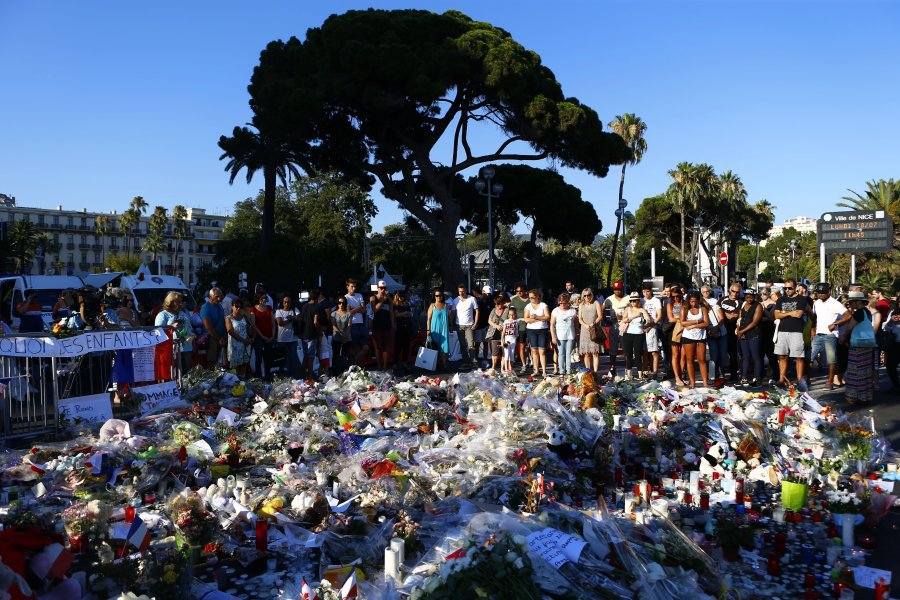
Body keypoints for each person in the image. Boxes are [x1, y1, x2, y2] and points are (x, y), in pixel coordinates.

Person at [811, 282, 851, 390]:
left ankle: (829, 382)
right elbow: (814, 317)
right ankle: (805, 380)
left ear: (828, 292)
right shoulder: (816, 303)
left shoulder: (835, 303)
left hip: (830, 335)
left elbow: (848, 315)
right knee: (810, 357)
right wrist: (813, 330)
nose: (820, 295)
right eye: (818, 292)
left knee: (831, 360)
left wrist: (836, 324)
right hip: (818, 334)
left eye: (822, 292)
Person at [774, 278, 811, 390]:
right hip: (782, 331)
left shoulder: (801, 299)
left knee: (799, 357)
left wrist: (784, 313)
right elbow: (776, 315)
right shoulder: (780, 300)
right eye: (785, 288)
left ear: (795, 288)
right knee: (782, 356)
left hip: (796, 331)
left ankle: (799, 380)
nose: (787, 290)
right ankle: (782, 379)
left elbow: (799, 314)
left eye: (790, 288)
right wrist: (791, 313)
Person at [841, 290, 877, 404]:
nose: (850, 305)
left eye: (851, 303)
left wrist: (843, 336)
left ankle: (853, 397)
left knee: (854, 371)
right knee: (865, 372)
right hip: (868, 344)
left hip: (857, 345)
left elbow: (849, 327)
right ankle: (865, 396)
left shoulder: (858, 313)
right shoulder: (867, 312)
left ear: (856, 302)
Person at [155, 291, 194, 375]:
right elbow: (158, 332)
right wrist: (172, 326)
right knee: (175, 373)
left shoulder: (183, 313)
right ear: (171, 302)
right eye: (178, 302)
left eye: (181, 302)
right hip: (172, 349)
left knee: (187, 373)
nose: (181, 304)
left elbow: (190, 328)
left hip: (186, 348)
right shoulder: (163, 315)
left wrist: (192, 335)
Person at [621, 291, 654, 380]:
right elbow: (624, 320)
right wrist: (635, 316)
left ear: (638, 301)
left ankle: (640, 375)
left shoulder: (642, 310)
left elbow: (648, 320)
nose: (633, 303)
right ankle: (629, 374)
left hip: (639, 334)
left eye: (634, 301)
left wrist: (645, 323)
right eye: (631, 301)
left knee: (638, 355)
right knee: (629, 355)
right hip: (628, 334)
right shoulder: (627, 309)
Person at [680, 291, 710, 387]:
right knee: (689, 359)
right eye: (691, 301)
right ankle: (692, 382)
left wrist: (693, 325)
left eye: (695, 301)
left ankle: (705, 383)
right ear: (688, 301)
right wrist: (697, 321)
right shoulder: (685, 309)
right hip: (688, 336)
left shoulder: (703, 308)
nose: (693, 303)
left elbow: (706, 323)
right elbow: (682, 323)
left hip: (701, 336)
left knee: (702, 359)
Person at [735, 288, 763, 385]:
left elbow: (755, 322)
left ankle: (757, 377)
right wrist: (739, 330)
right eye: (747, 297)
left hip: (753, 334)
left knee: (755, 356)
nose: (749, 299)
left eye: (751, 297)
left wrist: (742, 331)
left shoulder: (758, 306)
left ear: (754, 297)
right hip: (743, 334)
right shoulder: (743, 304)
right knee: (745, 356)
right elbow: (739, 319)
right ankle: (744, 376)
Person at [603, 281, 630, 378]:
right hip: (614, 326)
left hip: (626, 326)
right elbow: (602, 309)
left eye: (619, 289)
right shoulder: (609, 299)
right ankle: (613, 367)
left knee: (626, 349)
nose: (617, 291)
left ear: (622, 288)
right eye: (615, 289)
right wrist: (606, 321)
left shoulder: (628, 298)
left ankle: (628, 368)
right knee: (613, 349)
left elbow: (634, 308)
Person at [248, 292, 276, 380]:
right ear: (258, 299)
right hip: (259, 336)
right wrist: (262, 336)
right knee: (258, 357)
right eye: (262, 298)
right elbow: (253, 325)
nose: (263, 300)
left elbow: (273, 323)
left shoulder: (269, 308)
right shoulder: (253, 309)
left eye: (264, 298)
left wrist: (272, 336)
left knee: (268, 357)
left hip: (269, 335)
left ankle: (268, 377)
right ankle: (258, 377)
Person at [524, 289, 550, 378]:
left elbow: (547, 317)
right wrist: (539, 319)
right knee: (534, 350)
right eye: (529, 297)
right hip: (531, 330)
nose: (530, 299)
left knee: (542, 351)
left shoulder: (543, 305)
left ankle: (544, 371)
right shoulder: (528, 306)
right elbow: (526, 319)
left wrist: (536, 317)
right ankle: (536, 370)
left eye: (532, 297)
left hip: (542, 329)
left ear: (537, 297)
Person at [369, 282, 395, 371]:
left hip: (387, 326)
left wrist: (393, 325)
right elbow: (374, 310)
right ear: (377, 288)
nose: (383, 290)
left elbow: (391, 313)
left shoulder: (389, 299)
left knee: (386, 347)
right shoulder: (373, 298)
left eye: (384, 288)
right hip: (376, 325)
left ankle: (384, 367)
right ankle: (379, 365)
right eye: (381, 288)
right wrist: (381, 301)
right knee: (377, 347)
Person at [453, 284, 479, 370]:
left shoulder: (472, 299)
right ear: (458, 291)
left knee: (471, 344)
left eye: (463, 291)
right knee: (462, 345)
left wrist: (475, 323)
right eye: (460, 291)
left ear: (466, 290)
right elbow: (453, 313)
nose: (462, 293)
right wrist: (451, 324)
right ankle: (466, 362)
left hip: (469, 325)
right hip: (459, 325)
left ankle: (474, 362)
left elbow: (477, 311)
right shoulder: (455, 300)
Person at [344, 279, 370, 365]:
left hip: (361, 324)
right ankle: (353, 364)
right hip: (352, 324)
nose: (354, 288)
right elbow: (348, 312)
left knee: (366, 347)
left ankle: (353, 362)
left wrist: (353, 309)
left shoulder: (359, 295)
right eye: (352, 287)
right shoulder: (346, 298)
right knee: (353, 348)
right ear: (347, 287)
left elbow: (364, 310)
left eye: (355, 286)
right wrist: (359, 307)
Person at [550, 293, 577, 375]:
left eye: (564, 303)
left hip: (570, 335)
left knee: (568, 353)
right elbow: (552, 324)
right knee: (561, 353)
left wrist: (577, 335)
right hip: (560, 335)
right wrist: (553, 336)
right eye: (560, 303)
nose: (562, 304)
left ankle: (568, 371)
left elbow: (576, 324)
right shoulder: (556, 310)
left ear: (568, 302)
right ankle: (561, 371)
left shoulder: (573, 310)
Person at [275, 294, 301, 378]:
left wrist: (291, 318)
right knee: (283, 359)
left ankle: (293, 375)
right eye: (285, 302)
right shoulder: (279, 311)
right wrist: (291, 318)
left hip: (293, 338)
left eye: (288, 302)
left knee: (293, 358)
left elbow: (299, 318)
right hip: (282, 339)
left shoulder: (295, 309)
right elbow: (280, 323)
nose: (287, 303)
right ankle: (283, 376)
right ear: (282, 303)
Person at [720, 282, 742, 381]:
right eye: (733, 291)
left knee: (733, 353)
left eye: (737, 292)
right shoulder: (722, 299)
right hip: (721, 329)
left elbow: (736, 315)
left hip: (733, 330)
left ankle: (734, 374)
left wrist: (725, 314)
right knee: (721, 352)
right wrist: (726, 314)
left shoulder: (740, 302)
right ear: (729, 290)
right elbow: (717, 311)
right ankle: (720, 373)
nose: (735, 294)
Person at [578, 288, 603, 373]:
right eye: (585, 295)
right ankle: (588, 372)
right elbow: (580, 319)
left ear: (591, 295)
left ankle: (595, 372)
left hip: (594, 329)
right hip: (584, 331)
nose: (587, 297)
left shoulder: (596, 303)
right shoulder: (581, 305)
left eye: (588, 295)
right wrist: (585, 325)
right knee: (587, 353)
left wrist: (593, 324)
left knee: (595, 352)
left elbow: (600, 316)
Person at [225, 298, 252, 378]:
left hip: (245, 345)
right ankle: (233, 382)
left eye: (240, 307)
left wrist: (249, 338)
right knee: (235, 367)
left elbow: (249, 329)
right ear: (232, 306)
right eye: (236, 306)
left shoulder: (244, 317)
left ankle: (242, 382)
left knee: (244, 365)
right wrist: (243, 340)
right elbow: (230, 331)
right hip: (235, 346)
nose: (238, 308)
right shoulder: (228, 318)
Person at [200, 288, 226, 368]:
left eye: (220, 296)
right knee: (211, 361)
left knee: (220, 361)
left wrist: (224, 336)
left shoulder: (219, 306)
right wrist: (219, 338)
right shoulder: (205, 307)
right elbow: (208, 327)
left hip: (221, 337)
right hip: (212, 337)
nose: (219, 298)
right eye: (216, 296)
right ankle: (210, 379)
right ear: (210, 296)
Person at [426, 288, 452, 370]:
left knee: (444, 348)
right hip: (435, 330)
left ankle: (444, 365)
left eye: (440, 295)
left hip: (444, 329)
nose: (438, 297)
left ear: (442, 296)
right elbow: (428, 319)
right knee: (435, 347)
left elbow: (449, 317)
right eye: (436, 295)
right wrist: (428, 330)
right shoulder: (432, 306)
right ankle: (435, 364)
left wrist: (451, 325)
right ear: (434, 296)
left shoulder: (446, 305)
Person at [704, 292, 727, 380]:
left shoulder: (715, 307)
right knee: (714, 355)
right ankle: (713, 375)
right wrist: (710, 331)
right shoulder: (701, 310)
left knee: (722, 354)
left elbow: (722, 319)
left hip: (721, 332)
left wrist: (716, 328)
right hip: (710, 334)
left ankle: (722, 374)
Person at [666, 285, 686, 385]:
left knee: (683, 355)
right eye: (673, 296)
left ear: (681, 295)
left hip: (685, 330)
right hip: (673, 330)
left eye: (677, 296)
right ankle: (677, 377)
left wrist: (679, 318)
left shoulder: (685, 304)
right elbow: (671, 318)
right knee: (675, 354)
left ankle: (681, 375)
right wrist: (681, 319)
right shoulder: (670, 305)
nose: (675, 298)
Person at [641, 284, 663, 376]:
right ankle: (645, 371)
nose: (646, 293)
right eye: (644, 291)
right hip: (642, 328)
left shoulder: (656, 301)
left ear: (651, 291)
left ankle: (654, 371)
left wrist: (651, 325)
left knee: (653, 351)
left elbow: (659, 316)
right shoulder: (641, 301)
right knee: (644, 351)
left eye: (648, 291)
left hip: (652, 328)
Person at [509, 283, 530, 372]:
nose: (519, 293)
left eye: (521, 291)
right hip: (519, 326)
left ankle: (532, 362)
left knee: (531, 347)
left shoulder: (531, 300)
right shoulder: (514, 300)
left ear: (525, 291)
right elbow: (511, 313)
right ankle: (524, 365)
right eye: (517, 291)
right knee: (521, 346)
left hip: (530, 325)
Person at [883, 294, 900, 393]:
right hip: (895, 344)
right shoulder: (894, 312)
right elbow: (886, 327)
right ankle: (896, 386)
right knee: (890, 366)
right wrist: (891, 321)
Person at [393, 291, 414, 366]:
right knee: (397, 346)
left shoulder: (407, 304)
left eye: (403, 296)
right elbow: (396, 315)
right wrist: (404, 313)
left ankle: (404, 361)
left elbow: (410, 314)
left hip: (407, 327)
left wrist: (403, 314)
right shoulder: (395, 305)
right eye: (400, 296)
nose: (401, 298)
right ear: (397, 297)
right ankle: (395, 362)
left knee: (406, 346)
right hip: (399, 327)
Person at [331, 296, 354, 362]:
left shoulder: (349, 314)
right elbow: (333, 325)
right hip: (336, 336)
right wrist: (340, 336)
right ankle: (336, 370)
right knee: (336, 355)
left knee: (346, 355)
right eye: (339, 303)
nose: (341, 304)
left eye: (343, 303)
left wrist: (345, 337)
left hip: (347, 337)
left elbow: (349, 326)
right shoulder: (333, 314)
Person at [473, 286, 491, 366]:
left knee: (485, 343)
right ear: (483, 292)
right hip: (478, 326)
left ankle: (485, 359)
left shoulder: (490, 301)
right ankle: (475, 359)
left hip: (487, 326)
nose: (489, 295)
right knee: (477, 344)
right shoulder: (477, 301)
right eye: (487, 294)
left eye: (489, 294)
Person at [501, 306, 520, 375]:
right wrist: (502, 340)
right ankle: (506, 369)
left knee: (512, 354)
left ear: (515, 314)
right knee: (506, 354)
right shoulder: (506, 321)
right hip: (507, 339)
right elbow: (503, 332)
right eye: (510, 314)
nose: (511, 316)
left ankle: (510, 369)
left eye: (513, 314)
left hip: (513, 339)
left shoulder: (516, 321)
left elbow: (523, 319)